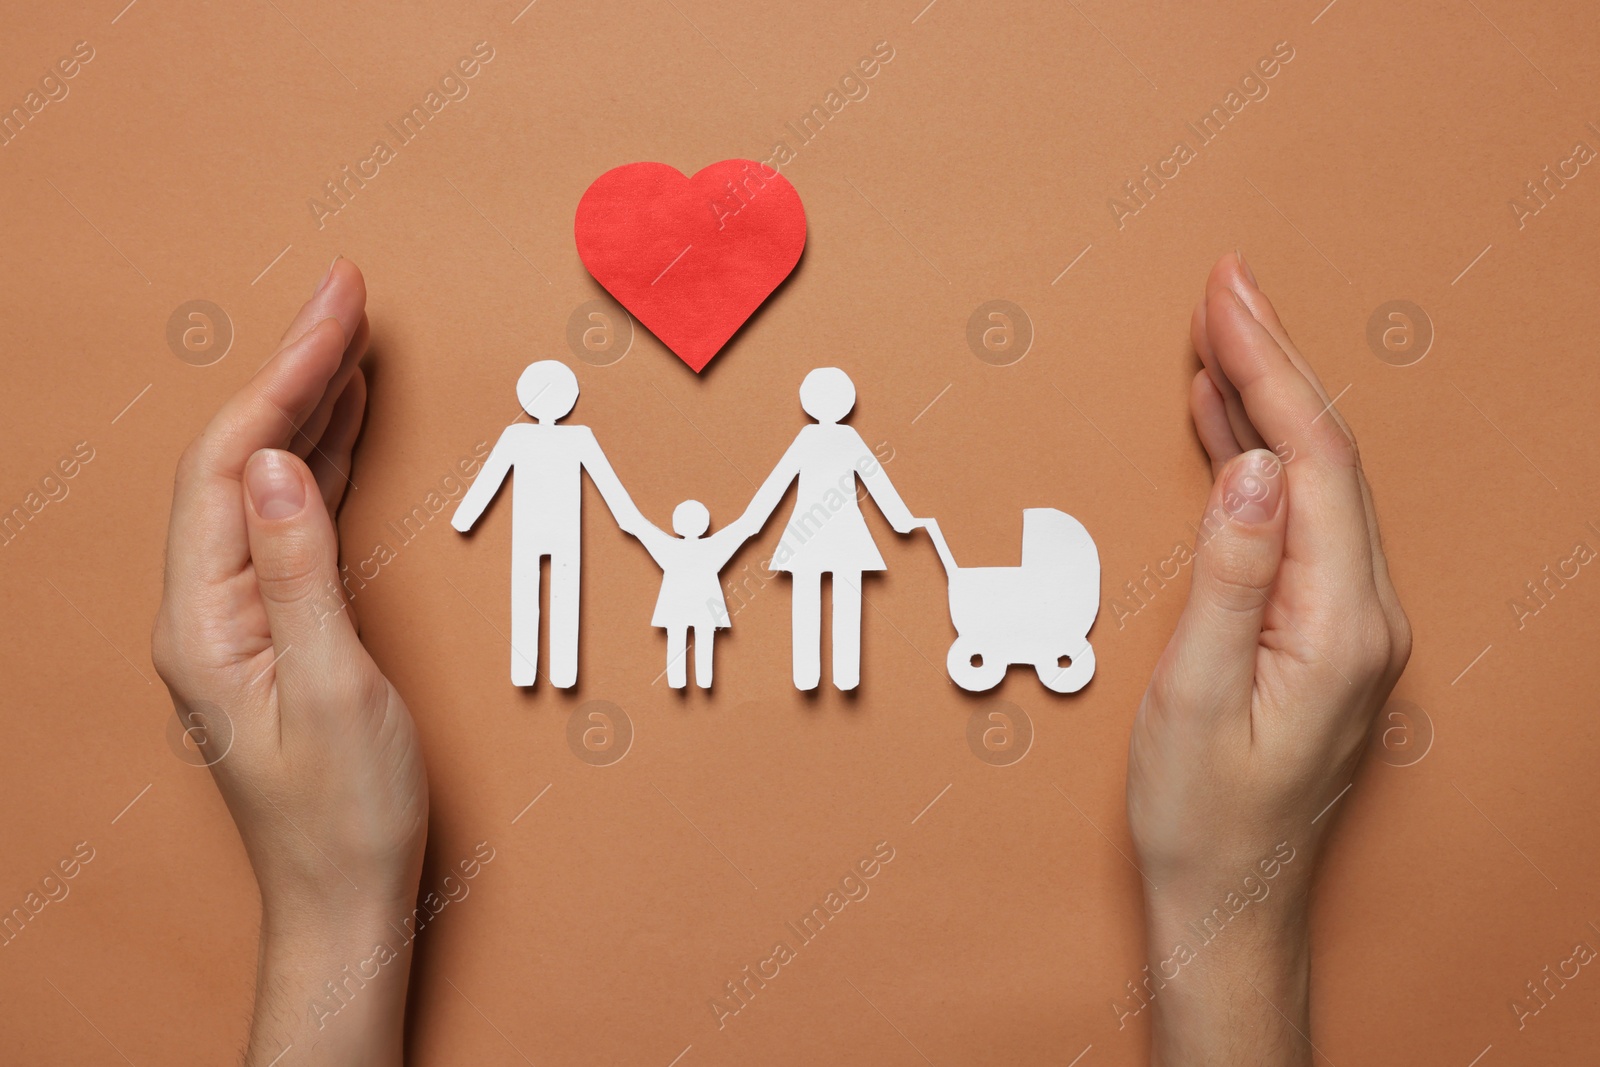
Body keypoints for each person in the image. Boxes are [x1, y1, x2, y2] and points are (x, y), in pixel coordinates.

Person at [151, 252, 1408, 1066]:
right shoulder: (594, 448)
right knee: (580, 608)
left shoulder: (817, 450)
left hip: (821, 553)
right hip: (752, 549)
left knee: (808, 623)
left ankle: (793, 640)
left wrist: (332, 911)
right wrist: (1231, 926)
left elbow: (789, 487)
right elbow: (612, 492)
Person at [450, 359, 646, 687]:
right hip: (560, 532)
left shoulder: (521, 436)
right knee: (561, 595)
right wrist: (631, 521)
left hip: (535, 531)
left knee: (528, 594)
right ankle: (558, 673)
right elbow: (608, 485)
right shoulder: (574, 437)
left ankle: (532, 673)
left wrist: (465, 518)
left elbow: (490, 479)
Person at [737, 367, 922, 691]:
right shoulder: (838, 438)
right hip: (840, 534)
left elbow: (779, 481)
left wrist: (753, 521)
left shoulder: (822, 438)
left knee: (814, 599)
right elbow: (874, 479)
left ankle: (817, 676)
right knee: (841, 601)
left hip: (817, 533)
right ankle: (837, 675)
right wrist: (900, 520)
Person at [631, 499, 754, 688]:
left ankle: (678, 680)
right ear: (704, 524)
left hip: (676, 607)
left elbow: (638, 526)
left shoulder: (669, 547)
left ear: (676, 523)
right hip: (705, 607)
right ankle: (703, 680)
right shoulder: (713, 547)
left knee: (677, 638)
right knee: (704, 638)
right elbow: (745, 526)